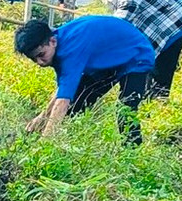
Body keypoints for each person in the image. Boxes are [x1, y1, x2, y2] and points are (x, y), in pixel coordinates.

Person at [14, 15, 157, 146]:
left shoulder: (71, 50)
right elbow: (64, 89)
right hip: (108, 59)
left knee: (125, 109)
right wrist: (42, 118)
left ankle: (132, 154)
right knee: (76, 103)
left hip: (136, 55)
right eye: (34, 59)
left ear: (52, 41)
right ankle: (70, 143)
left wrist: (45, 143)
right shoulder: (57, 42)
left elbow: (63, 100)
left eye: (41, 55)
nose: (39, 62)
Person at [97, 0, 182, 98]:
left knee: (159, 64)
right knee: (152, 58)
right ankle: (154, 97)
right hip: (179, 20)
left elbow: (119, 26)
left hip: (176, 23)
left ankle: (157, 99)